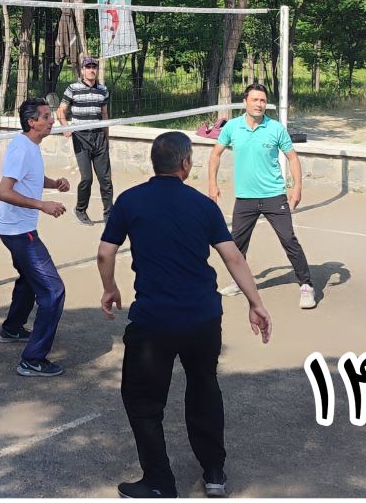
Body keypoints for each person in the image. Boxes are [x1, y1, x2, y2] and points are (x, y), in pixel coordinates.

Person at [98, 132, 271, 499]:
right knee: (204, 386)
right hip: (202, 319)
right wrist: (256, 303)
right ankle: (214, 473)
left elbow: (105, 253)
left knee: (143, 402)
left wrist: (109, 287)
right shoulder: (203, 205)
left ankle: (159, 481)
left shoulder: (129, 201)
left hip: (153, 321)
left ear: (154, 163)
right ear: (185, 164)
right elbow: (233, 256)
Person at [204, 84, 316, 310]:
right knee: (235, 245)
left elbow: (292, 158)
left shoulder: (275, 128)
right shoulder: (232, 127)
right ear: (245, 102)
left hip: (274, 196)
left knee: (288, 240)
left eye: (263, 100)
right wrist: (212, 184)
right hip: (245, 198)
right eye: (255, 100)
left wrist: (297, 188)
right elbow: (215, 155)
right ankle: (239, 281)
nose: (259, 104)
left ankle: (306, 285)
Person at [0, 97, 72, 377]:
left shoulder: (30, 146)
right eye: (46, 117)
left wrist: (54, 184)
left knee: (29, 279)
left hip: (17, 230)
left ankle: (12, 329)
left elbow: (30, 177)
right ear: (32, 122)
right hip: (19, 233)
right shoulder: (22, 149)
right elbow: (4, 192)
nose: (52, 121)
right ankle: (32, 359)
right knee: (53, 291)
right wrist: (43, 205)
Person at [59, 54, 114, 225]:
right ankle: (80, 209)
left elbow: (104, 114)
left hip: (99, 137)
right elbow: (61, 110)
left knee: (105, 179)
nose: (91, 70)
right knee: (87, 178)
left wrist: (106, 137)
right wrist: (65, 127)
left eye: (94, 67)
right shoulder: (73, 88)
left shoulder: (103, 90)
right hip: (81, 137)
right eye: (88, 67)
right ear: (82, 70)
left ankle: (109, 214)